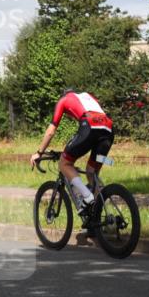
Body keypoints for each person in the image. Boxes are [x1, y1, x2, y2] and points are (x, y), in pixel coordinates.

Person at [29, 89, 114, 220]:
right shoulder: (87, 96)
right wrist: (109, 161)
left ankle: (87, 197)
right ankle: (99, 219)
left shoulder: (63, 100)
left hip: (90, 126)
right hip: (108, 129)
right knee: (91, 172)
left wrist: (39, 153)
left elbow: (51, 131)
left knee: (64, 163)